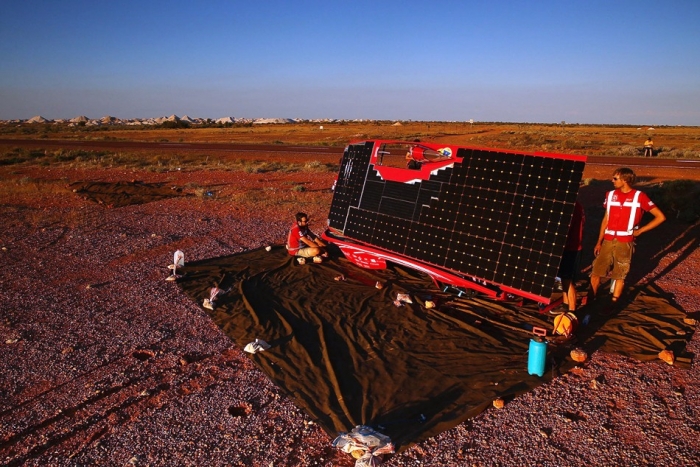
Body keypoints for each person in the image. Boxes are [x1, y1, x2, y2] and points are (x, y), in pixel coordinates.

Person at [589, 168, 665, 312]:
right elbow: (606, 219)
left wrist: (641, 230)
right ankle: (591, 298)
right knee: (596, 271)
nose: (612, 181)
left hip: (625, 241)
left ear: (625, 180)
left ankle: (613, 303)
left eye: (615, 178)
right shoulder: (610, 195)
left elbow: (660, 217)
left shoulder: (639, 197)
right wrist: (599, 241)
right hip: (608, 239)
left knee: (620, 273)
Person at [550, 200, 585, 314]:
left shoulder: (573, 207)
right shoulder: (574, 205)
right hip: (568, 248)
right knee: (564, 279)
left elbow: (565, 229)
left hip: (572, 249)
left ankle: (572, 310)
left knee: (568, 280)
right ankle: (565, 305)